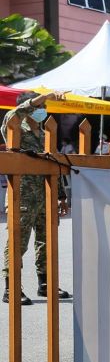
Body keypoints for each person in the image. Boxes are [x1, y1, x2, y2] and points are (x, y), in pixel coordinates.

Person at [2, 91, 72, 305]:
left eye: (44, 106)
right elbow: (13, 115)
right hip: (22, 196)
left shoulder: (45, 134)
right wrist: (42, 97)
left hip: (46, 196)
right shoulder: (14, 128)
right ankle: (11, 288)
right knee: (18, 242)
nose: (43, 110)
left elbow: (54, 166)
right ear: (29, 107)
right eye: (40, 106)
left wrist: (61, 196)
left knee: (46, 242)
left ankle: (45, 284)